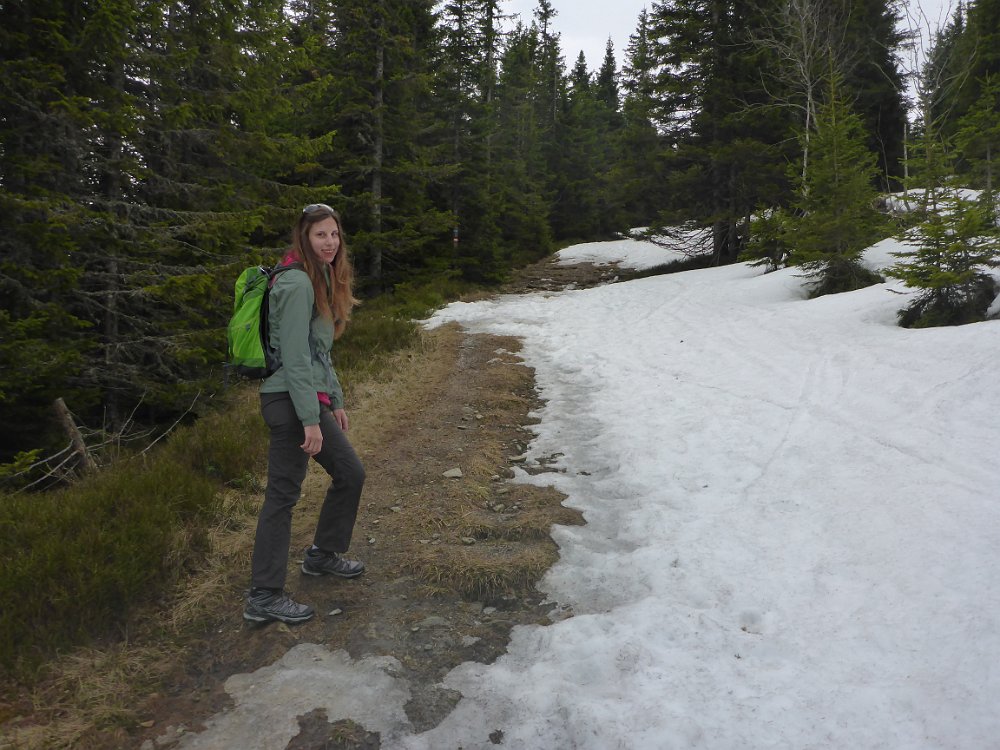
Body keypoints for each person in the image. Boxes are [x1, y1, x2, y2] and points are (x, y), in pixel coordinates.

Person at [244, 203, 366, 625]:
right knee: (282, 495)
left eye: (334, 234)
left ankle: (322, 555)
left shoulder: (321, 277)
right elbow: (295, 358)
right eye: (320, 235)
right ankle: (264, 595)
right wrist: (311, 419)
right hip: (289, 402)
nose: (329, 242)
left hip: (308, 399)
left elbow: (319, 354)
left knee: (350, 473)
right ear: (304, 238)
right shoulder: (295, 284)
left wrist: (335, 401)